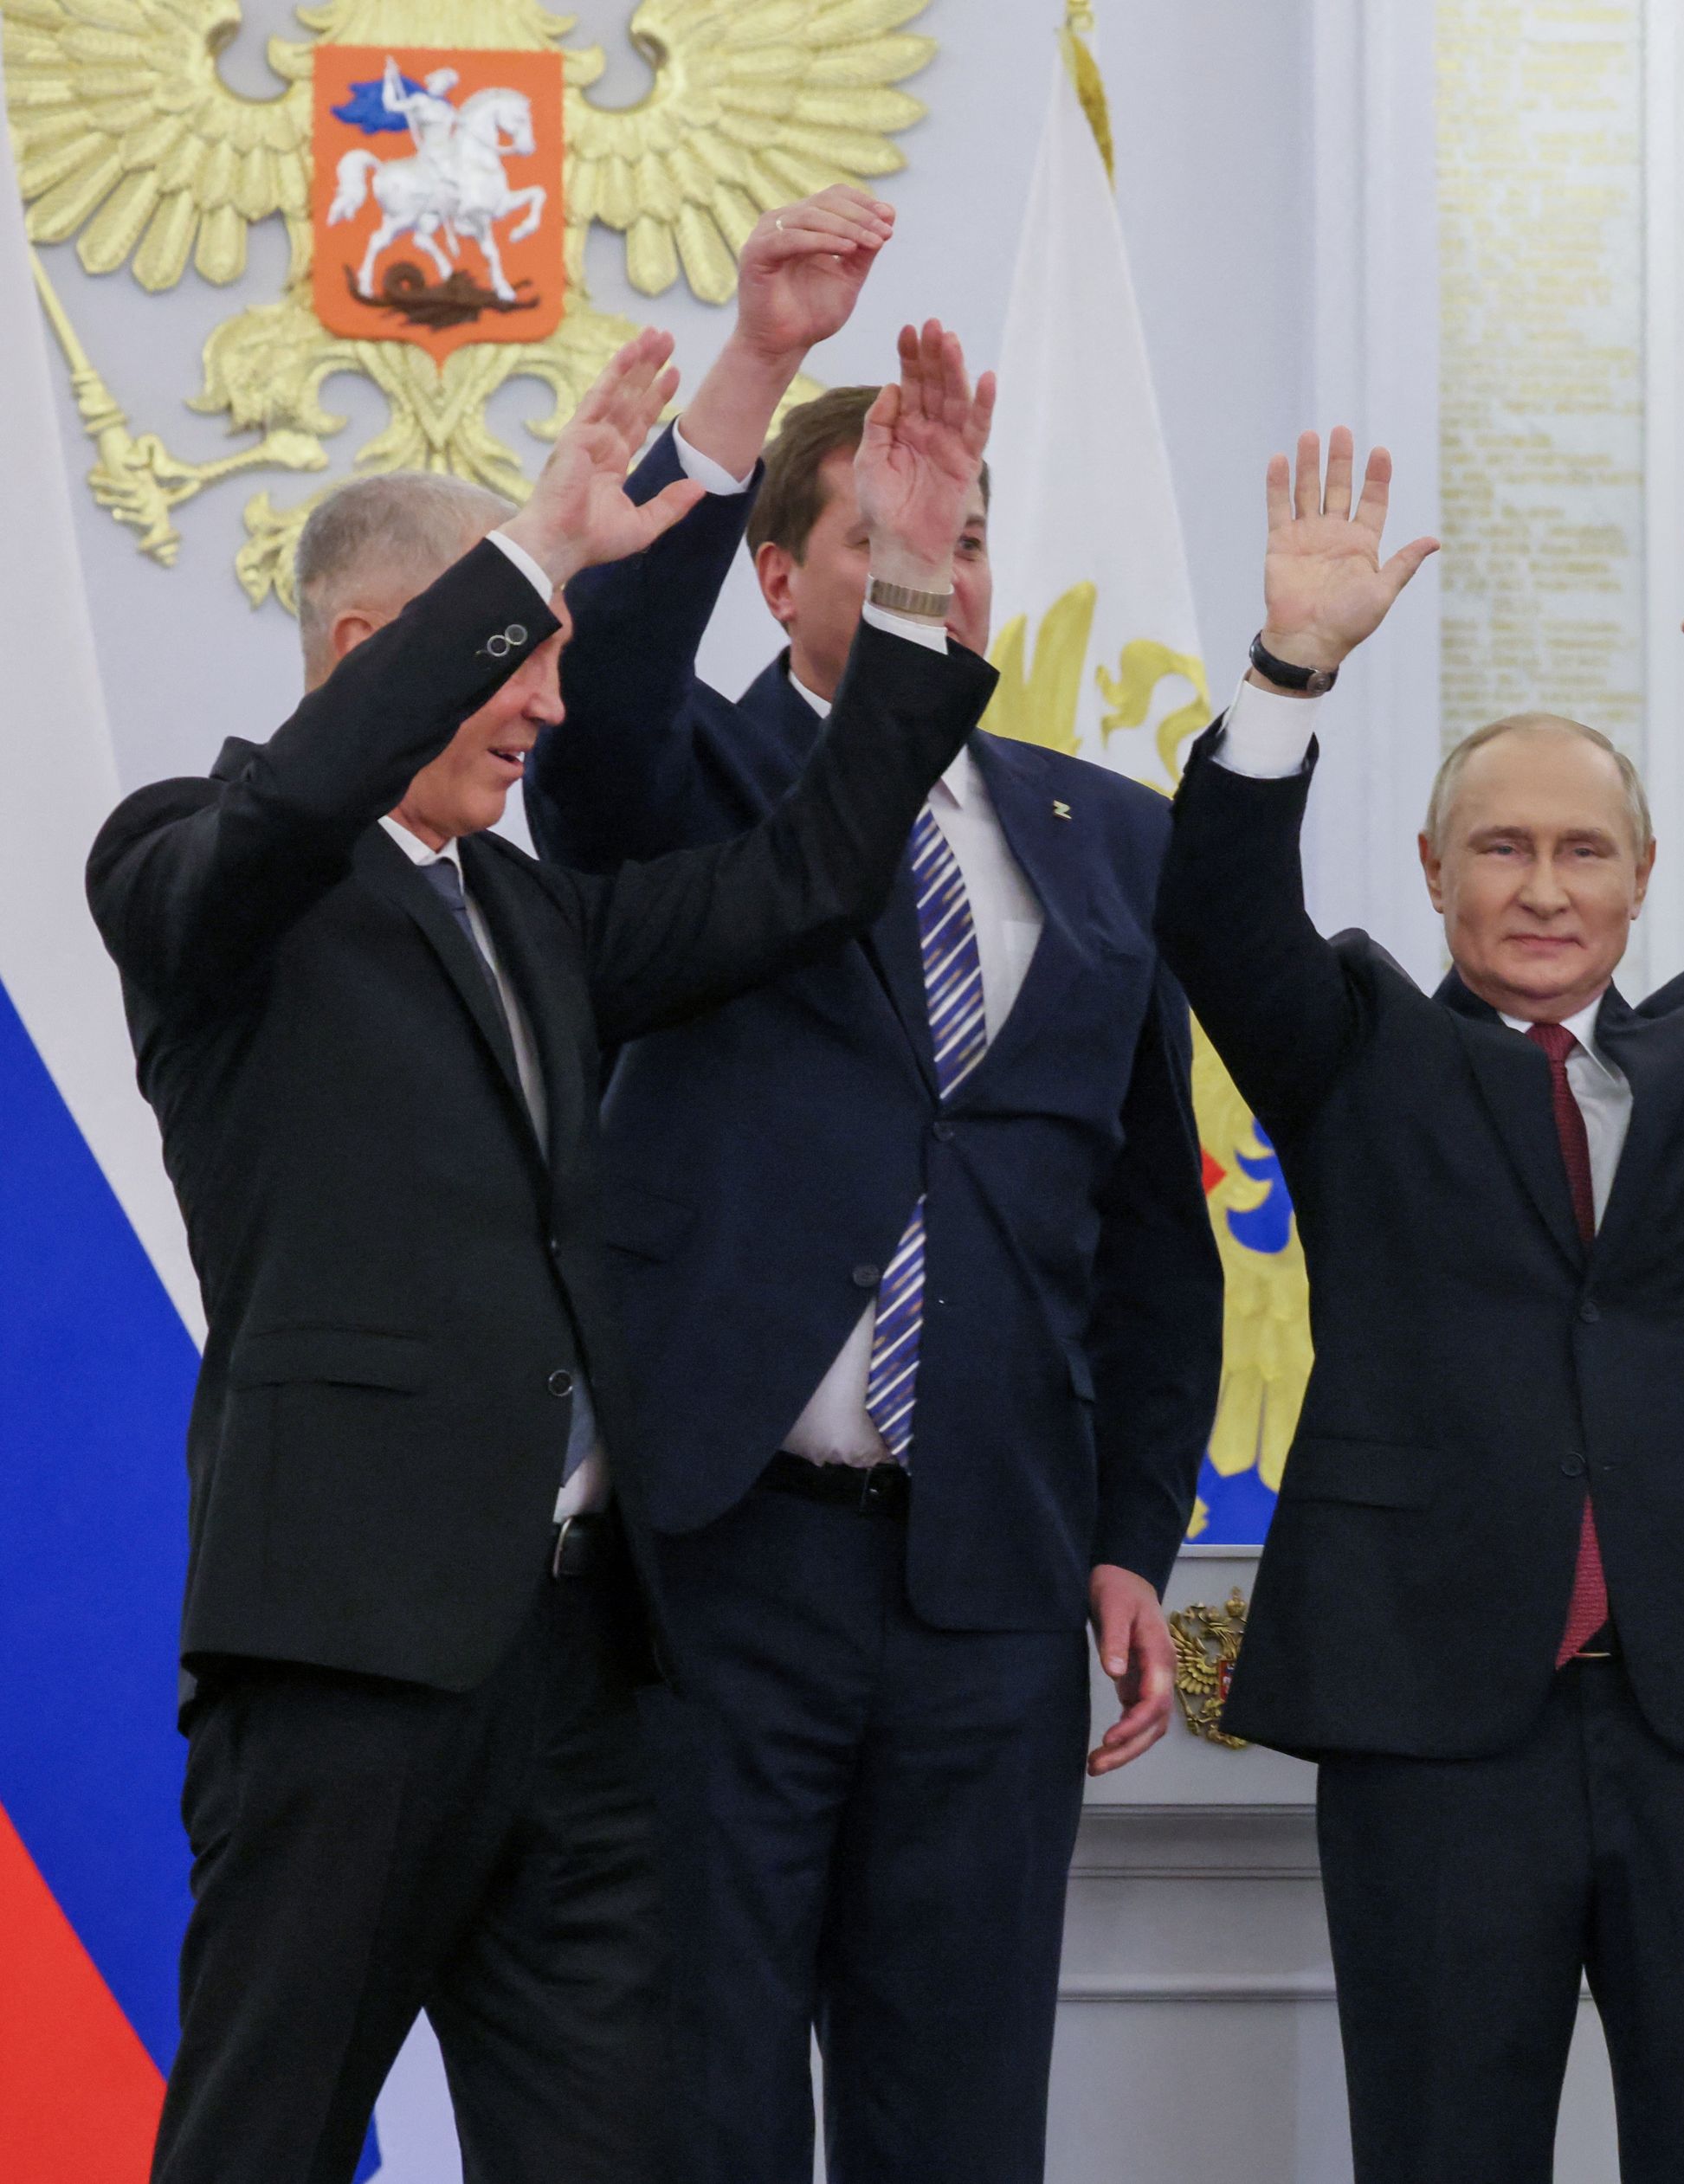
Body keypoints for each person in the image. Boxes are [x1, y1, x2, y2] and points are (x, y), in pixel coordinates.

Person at [86, 326, 999, 2184]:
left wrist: (912, 589)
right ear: (378, 649)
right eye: (527, 662)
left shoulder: (530, 909)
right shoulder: (192, 864)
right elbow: (293, 807)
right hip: (346, 1652)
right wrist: (535, 554)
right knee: (264, 2138)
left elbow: (807, 875)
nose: (552, 709)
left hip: (581, 1661)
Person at [1153, 439, 1684, 2181]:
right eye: (1503, 849)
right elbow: (1217, 914)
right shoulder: (1356, 1052)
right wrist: (1291, 669)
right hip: (1432, 1704)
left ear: (1640, 873)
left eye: (1583, 851)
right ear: (1433, 869)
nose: (1544, 887)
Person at [520, 195, 1223, 2182]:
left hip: (990, 1573)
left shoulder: (1107, 835)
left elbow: (1147, 1232)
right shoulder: (690, 785)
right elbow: (609, 694)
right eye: (890, 537)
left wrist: (1130, 1534)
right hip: (722, 1551)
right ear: (776, 574)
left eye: (968, 536)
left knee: (960, 2116)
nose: (943, 564)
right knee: (703, 2110)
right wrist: (751, 365)